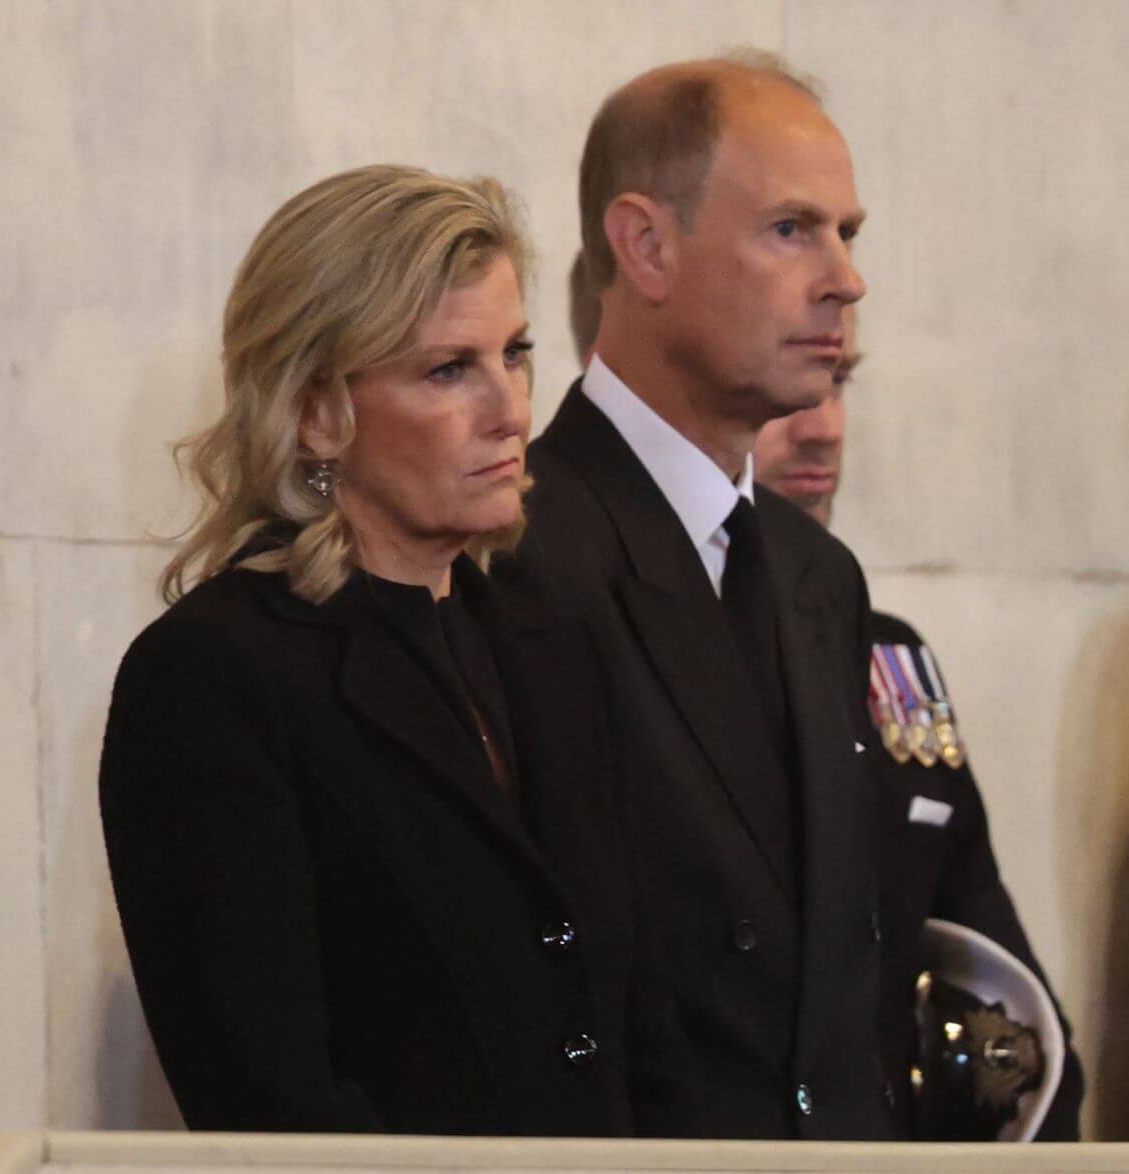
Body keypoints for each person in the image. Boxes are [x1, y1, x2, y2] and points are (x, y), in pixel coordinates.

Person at [99, 165, 698, 1137]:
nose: (509, 409)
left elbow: (646, 1039)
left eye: (516, 353)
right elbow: (268, 1102)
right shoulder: (215, 678)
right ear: (313, 411)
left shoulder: (557, 648)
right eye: (448, 368)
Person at [500, 53, 891, 1138]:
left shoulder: (821, 579)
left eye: (848, 233)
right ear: (647, 245)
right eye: (792, 230)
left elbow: (841, 998)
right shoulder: (518, 556)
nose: (844, 278)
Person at [752, 307, 1085, 1139]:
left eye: (839, 383)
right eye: (783, 392)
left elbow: (1001, 976)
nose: (822, 429)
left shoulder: (890, 662)